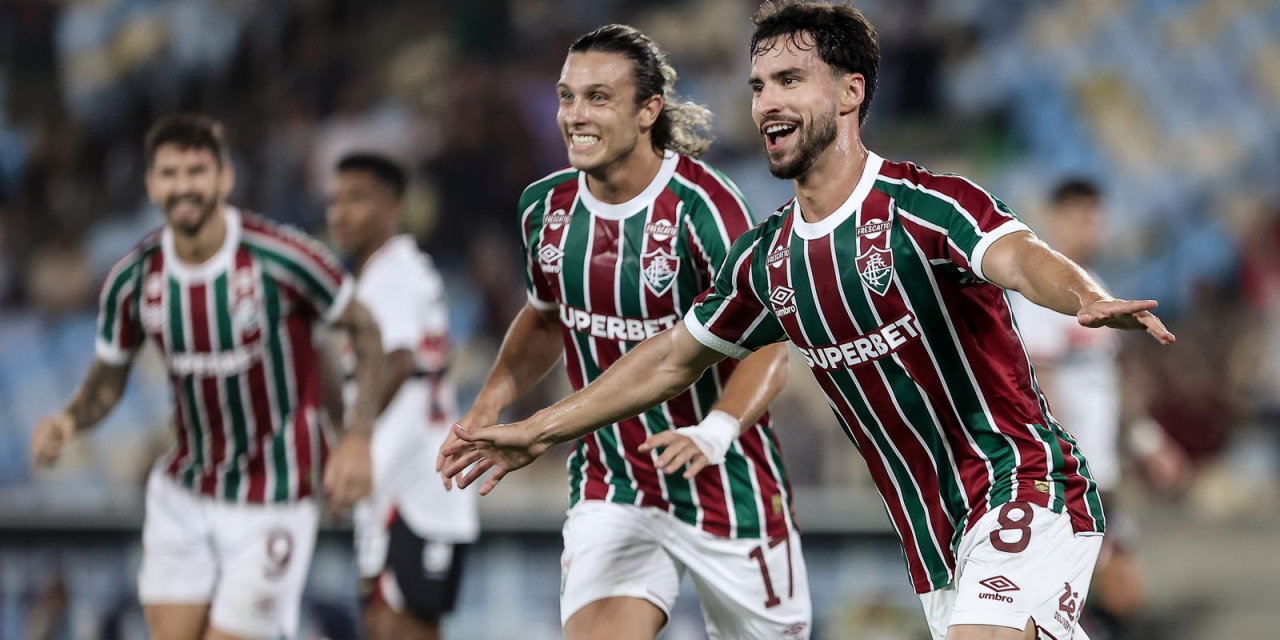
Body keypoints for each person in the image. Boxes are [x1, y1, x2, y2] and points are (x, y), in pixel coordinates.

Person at [440, 4, 1176, 640]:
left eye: (790, 81)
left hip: (1023, 483)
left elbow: (1016, 256)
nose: (765, 102)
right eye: (758, 85)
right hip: (932, 532)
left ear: (851, 92)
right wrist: (539, 429)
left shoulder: (922, 206)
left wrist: (1078, 293)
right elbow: (670, 360)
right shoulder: (768, 260)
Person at [437, 24, 811, 640]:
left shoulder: (706, 208)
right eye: (566, 96)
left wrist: (715, 430)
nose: (575, 116)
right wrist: (487, 403)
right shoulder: (545, 208)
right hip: (613, 481)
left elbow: (768, 344)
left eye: (598, 98)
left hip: (727, 481)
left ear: (648, 110)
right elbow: (545, 315)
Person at [29, 113, 383, 640]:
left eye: (197, 171)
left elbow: (366, 329)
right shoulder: (134, 279)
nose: (183, 186)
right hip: (186, 492)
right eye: (169, 174)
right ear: (151, 184)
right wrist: (70, 419)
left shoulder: (282, 257)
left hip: (275, 493)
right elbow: (108, 378)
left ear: (225, 177)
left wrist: (356, 437)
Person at [1009, 179, 1189, 639]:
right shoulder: (1041, 294)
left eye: (1096, 215)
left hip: (1100, 474)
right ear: (1054, 217)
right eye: (1079, 215)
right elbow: (1037, 387)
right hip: (1067, 476)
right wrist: (1065, 467)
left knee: (1115, 594)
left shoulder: (1098, 289)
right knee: (1088, 595)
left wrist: (1150, 443)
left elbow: (1112, 385)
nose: (1091, 226)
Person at [326, 152, 477, 640]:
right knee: (386, 621)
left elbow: (396, 360)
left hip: (413, 490)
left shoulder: (390, 277)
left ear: (393, 207)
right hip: (407, 487)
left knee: (397, 626)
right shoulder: (405, 271)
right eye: (335, 200)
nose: (340, 213)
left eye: (357, 199)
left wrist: (354, 441)